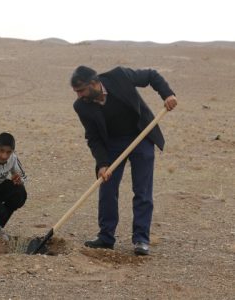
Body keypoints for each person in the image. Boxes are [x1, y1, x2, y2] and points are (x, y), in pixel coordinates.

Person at [70, 66, 177, 255]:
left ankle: (141, 240)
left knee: (142, 190)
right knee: (107, 188)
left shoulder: (119, 76)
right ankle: (106, 237)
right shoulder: (81, 106)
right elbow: (93, 137)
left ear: (94, 83)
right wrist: (102, 164)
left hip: (140, 135)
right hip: (112, 144)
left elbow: (151, 75)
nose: (79, 96)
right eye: (76, 92)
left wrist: (167, 94)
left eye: (81, 90)